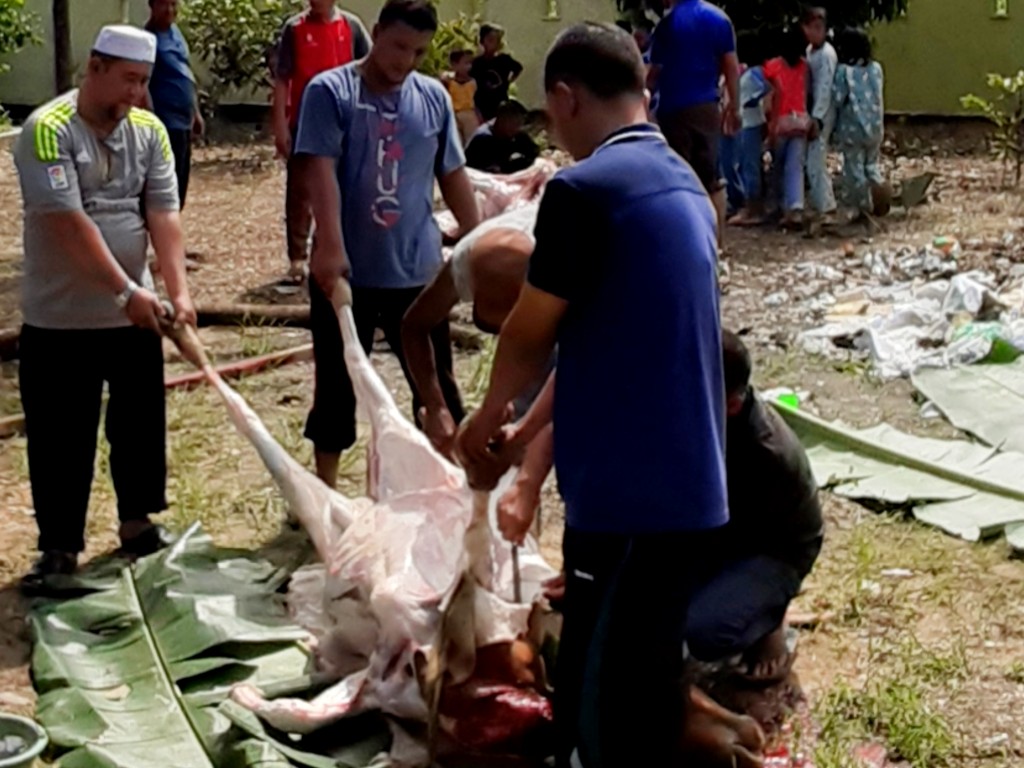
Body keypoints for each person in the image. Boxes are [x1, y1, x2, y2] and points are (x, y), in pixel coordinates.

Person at [455, 22, 763, 768]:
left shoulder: (583, 191)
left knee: (595, 700)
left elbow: (531, 331)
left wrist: (486, 421)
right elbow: (604, 342)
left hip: (630, 495)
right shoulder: (685, 184)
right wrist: (526, 430)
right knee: (646, 678)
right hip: (686, 486)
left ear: (565, 97)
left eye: (551, 112)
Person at [13, 25, 197, 587]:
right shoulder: (46, 130)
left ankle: (137, 524)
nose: (136, 95)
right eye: (128, 81)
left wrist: (178, 292)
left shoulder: (150, 130)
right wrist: (124, 292)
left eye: (143, 83)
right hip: (60, 317)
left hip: (133, 314)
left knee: (139, 422)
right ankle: (60, 548)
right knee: (61, 435)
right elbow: (68, 223)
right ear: (95, 68)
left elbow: (164, 214)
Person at [295, 0, 481, 489]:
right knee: (336, 387)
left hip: (416, 274)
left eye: (418, 51)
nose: (405, 60)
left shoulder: (434, 99)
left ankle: (455, 490)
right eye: (398, 46)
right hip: (347, 272)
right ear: (375, 33)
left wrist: (477, 238)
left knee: (436, 386)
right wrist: (329, 246)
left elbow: (453, 172)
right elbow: (320, 171)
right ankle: (327, 490)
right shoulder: (331, 91)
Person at [685, 331, 823, 681]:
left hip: (773, 549)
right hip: (724, 532)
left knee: (700, 631)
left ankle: (771, 622)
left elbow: (725, 534)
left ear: (731, 405)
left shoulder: (764, 454)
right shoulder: (708, 416)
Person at [272, 0, 370, 282]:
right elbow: (282, 79)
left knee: (345, 186)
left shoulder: (351, 27)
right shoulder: (295, 28)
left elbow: (369, 66)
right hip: (305, 121)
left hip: (345, 120)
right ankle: (297, 258)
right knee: (300, 192)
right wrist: (280, 124)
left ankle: (335, 247)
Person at [648, 0, 740, 244]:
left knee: (678, 177)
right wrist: (734, 106)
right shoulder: (719, 19)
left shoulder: (667, 26)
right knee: (710, 177)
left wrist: (642, 99)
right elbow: (731, 66)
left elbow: (654, 72)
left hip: (672, 109)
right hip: (706, 108)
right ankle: (717, 242)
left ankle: (686, 242)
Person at [145, 0, 203, 208]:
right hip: (164, 122)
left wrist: (195, 112)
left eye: (173, 4)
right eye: (164, 5)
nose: (170, 10)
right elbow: (142, 83)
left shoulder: (176, 34)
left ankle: (172, 230)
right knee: (163, 188)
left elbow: (185, 73)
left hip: (183, 122)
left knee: (180, 185)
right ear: (151, 6)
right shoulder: (148, 40)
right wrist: (150, 118)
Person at [833, 27, 885, 217]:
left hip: (852, 128)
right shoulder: (876, 69)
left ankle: (863, 205)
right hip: (876, 127)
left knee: (854, 169)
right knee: (871, 165)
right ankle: (880, 190)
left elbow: (838, 98)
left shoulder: (843, 72)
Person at [764, 28, 812, 229]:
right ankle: (796, 207)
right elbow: (807, 94)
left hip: (780, 124)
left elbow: (772, 99)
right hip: (800, 123)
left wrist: (771, 127)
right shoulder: (805, 68)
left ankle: (778, 206)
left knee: (777, 168)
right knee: (795, 167)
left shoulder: (772, 67)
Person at [726, 31, 770, 226]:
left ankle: (754, 209)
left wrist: (749, 102)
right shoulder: (752, 72)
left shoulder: (754, 73)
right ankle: (751, 206)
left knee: (750, 166)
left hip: (751, 123)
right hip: (750, 122)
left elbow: (765, 89)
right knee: (748, 165)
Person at [803, 6, 838, 219]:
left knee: (816, 160)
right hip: (811, 109)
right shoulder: (810, 51)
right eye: (812, 27)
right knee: (812, 159)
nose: (816, 32)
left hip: (822, 113)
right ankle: (821, 204)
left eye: (819, 28)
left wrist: (817, 117)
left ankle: (827, 206)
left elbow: (825, 88)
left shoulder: (826, 55)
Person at [465, 99, 539, 174]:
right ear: (504, 121)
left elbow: (534, 153)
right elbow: (490, 172)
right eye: (516, 124)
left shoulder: (514, 134)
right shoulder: (483, 140)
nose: (518, 128)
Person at [471, 23, 523, 122]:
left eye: (496, 40)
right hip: (482, 104)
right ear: (482, 41)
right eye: (490, 40)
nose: (493, 43)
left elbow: (518, 68)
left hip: (500, 102)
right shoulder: (477, 63)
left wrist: (509, 81)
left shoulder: (504, 60)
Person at [442, 48, 480, 144]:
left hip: (469, 114)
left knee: (471, 141)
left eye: (470, 63)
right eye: (466, 63)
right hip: (454, 114)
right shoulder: (448, 81)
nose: (469, 66)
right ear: (454, 65)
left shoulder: (473, 82)